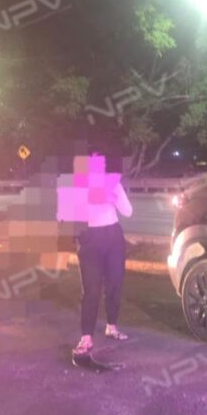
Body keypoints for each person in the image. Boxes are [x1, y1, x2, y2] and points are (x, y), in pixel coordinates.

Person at [72, 154, 133, 363]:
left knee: (115, 283)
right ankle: (86, 337)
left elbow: (129, 211)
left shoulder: (113, 185)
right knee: (91, 288)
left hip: (114, 237)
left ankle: (111, 327)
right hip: (90, 238)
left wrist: (113, 198)